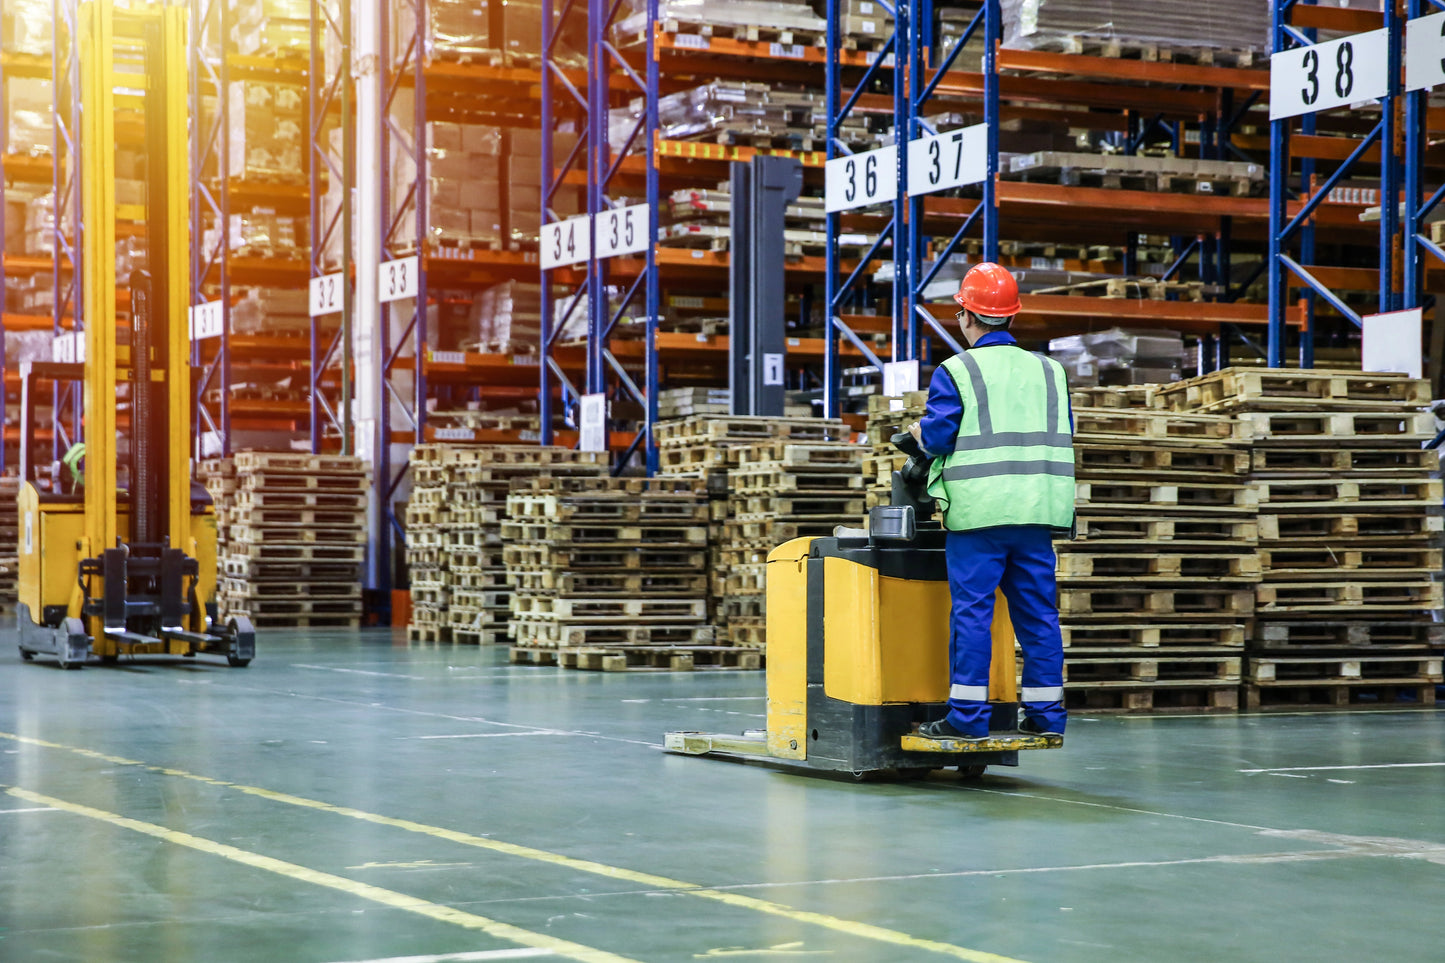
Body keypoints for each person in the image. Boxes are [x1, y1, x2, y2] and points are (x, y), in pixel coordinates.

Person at [907, 262, 1075, 740]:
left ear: (965, 315)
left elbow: (939, 439)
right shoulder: (1051, 371)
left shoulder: (957, 370)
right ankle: (1046, 716)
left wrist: (920, 432)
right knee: (1039, 615)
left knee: (973, 616)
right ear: (1011, 316)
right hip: (1039, 512)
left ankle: (967, 718)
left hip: (980, 516)